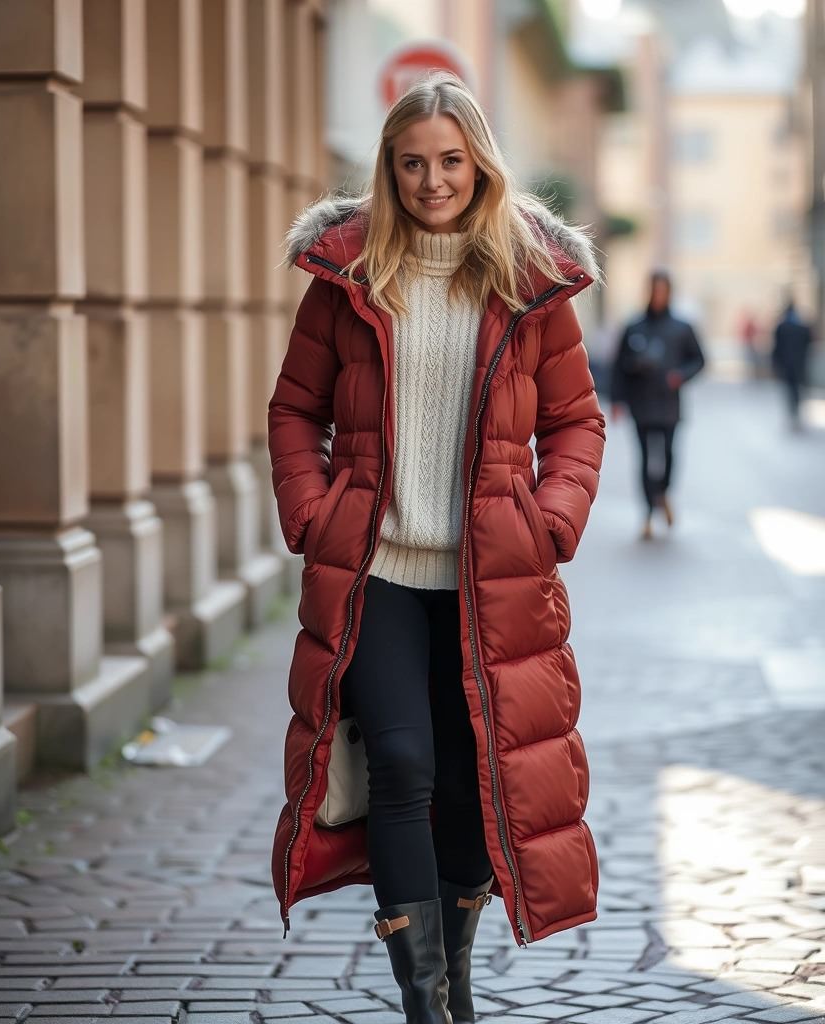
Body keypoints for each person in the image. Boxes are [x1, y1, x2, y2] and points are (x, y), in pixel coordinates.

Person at [268, 71, 605, 1024]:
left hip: (487, 577)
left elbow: (577, 422)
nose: (432, 181)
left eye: (450, 161)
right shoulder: (348, 277)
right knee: (404, 766)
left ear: (480, 165)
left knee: (468, 777)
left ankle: (454, 981)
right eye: (412, 164)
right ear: (388, 167)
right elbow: (295, 409)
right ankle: (424, 1003)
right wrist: (312, 512)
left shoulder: (530, 281)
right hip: (376, 572)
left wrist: (551, 520)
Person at [610, 270, 705, 540]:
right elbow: (618, 367)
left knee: (668, 456)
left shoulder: (682, 328)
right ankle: (648, 512)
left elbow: (699, 360)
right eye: (655, 290)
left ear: (669, 293)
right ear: (649, 292)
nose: (658, 295)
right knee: (643, 459)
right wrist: (617, 400)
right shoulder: (634, 327)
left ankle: (663, 493)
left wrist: (680, 376)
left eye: (663, 291)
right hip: (640, 403)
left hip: (668, 405)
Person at [772, 298, 813, 429]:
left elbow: (777, 347)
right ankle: (796, 413)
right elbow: (808, 344)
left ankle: (794, 413)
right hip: (799, 363)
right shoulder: (802, 328)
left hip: (787, 364)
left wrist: (776, 363)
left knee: (791, 389)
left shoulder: (782, 327)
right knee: (797, 389)